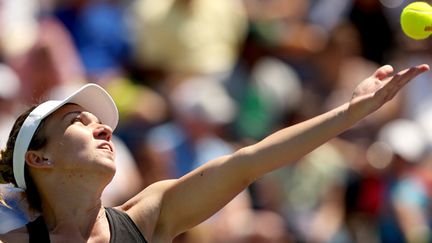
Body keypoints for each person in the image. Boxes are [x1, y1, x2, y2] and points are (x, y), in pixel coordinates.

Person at [0, 63, 428, 242]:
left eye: (99, 120)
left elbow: (250, 161)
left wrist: (348, 114)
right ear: (39, 158)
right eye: (78, 121)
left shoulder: (147, 217)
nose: (103, 126)